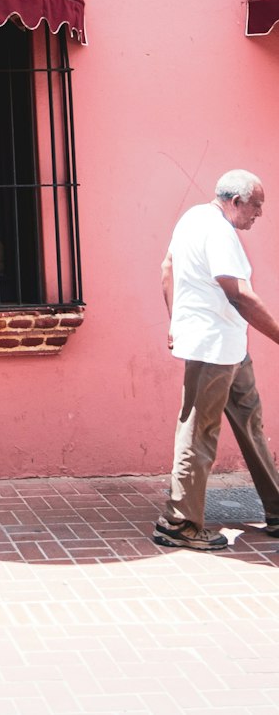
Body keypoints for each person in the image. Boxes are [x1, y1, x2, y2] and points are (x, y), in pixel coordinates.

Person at [153, 168, 279, 551]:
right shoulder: (221, 233)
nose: (259, 214)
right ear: (236, 201)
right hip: (213, 348)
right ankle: (179, 523)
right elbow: (239, 295)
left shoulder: (193, 217)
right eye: (256, 206)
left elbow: (167, 269)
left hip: (227, 346)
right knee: (199, 432)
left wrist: (175, 320)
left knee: (250, 422)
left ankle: (275, 508)